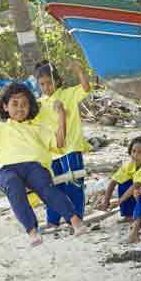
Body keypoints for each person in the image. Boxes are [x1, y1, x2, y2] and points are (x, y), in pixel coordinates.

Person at [0, 83, 88, 246]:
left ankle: (75, 221)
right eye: (15, 104)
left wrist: (61, 115)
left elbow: (60, 143)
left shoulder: (38, 128)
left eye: (24, 104)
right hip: (9, 169)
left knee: (45, 187)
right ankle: (32, 231)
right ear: (5, 107)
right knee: (13, 185)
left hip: (34, 167)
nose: (20, 108)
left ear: (30, 107)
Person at [32, 60, 91, 227]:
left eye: (49, 83)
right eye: (42, 84)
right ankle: (53, 220)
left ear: (57, 81)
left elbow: (86, 88)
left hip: (71, 148)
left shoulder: (68, 94)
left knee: (74, 184)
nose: (46, 87)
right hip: (51, 152)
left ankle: (77, 218)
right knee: (53, 187)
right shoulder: (39, 104)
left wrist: (78, 70)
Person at [100, 136, 141, 222]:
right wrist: (106, 201)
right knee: (123, 183)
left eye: (140, 152)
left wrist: (119, 201)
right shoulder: (130, 165)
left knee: (138, 190)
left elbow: (136, 185)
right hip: (135, 192)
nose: (135, 155)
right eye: (133, 151)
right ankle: (129, 215)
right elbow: (113, 181)